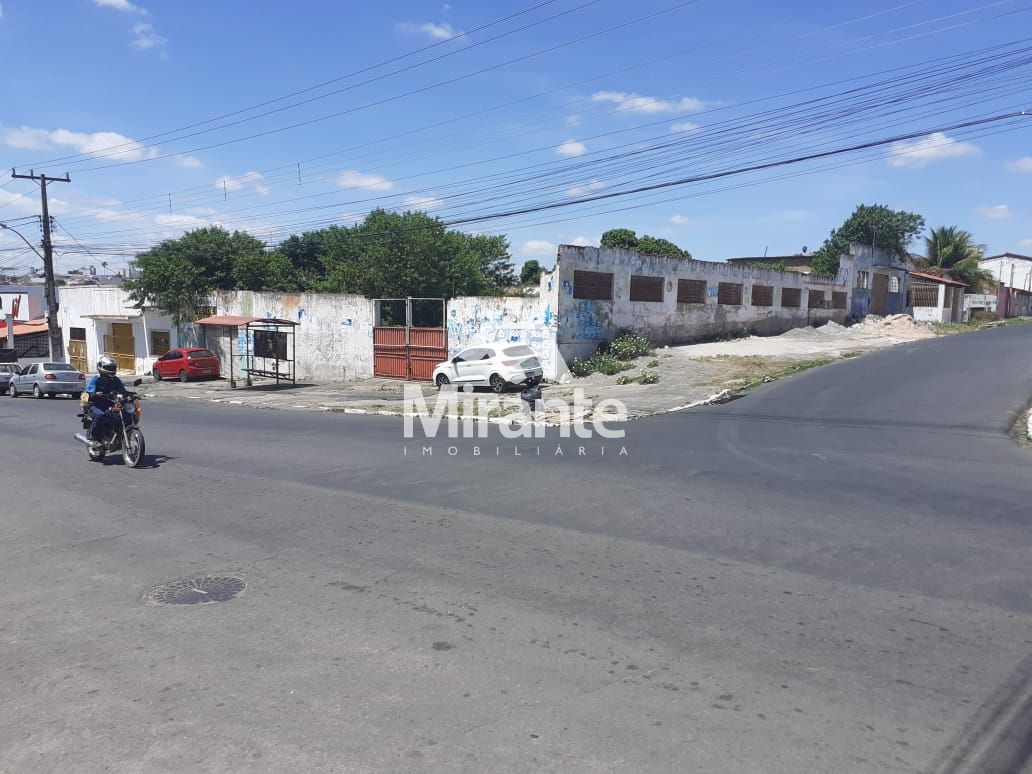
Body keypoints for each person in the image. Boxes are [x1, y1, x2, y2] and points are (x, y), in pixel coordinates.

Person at [85, 356, 126, 451]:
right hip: (96, 404)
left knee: (122, 414)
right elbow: (89, 392)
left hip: (110, 404)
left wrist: (131, 395)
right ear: (101, 367)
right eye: (109, 368)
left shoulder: (115, 380)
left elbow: (122, 390)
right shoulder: (96, 379)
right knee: (100, 415)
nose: (111, 370)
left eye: (113, 368)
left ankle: (117, 435)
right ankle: (95, 439)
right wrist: (95, 394)